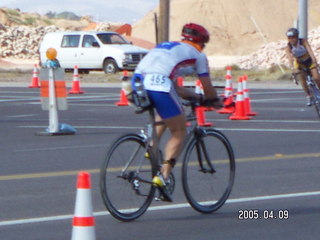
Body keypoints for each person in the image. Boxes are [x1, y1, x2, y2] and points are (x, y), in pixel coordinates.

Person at [131, 23, 223, 201]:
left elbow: (175, 88)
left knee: (167, 115)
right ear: (201, 43)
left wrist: (195, 96)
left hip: (137, 81)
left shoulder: (168, 47)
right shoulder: (199, 55)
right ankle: (163, 177)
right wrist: (213, 100)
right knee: (179, 131)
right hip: (159, 83)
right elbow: (208, 88)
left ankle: (151, 148)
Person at [285, 27, 320, 106]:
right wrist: (293, 69)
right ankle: (308, 95)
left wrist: (314, 61)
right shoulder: (288, 47)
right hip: (300, 63)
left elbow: (310, 51)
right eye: (289, 38)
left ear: (297, 37)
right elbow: (290, 59)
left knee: (316, 77)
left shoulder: (303, 41)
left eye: (293, 37)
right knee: (302, 79)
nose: (291, 39)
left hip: (308, 60)